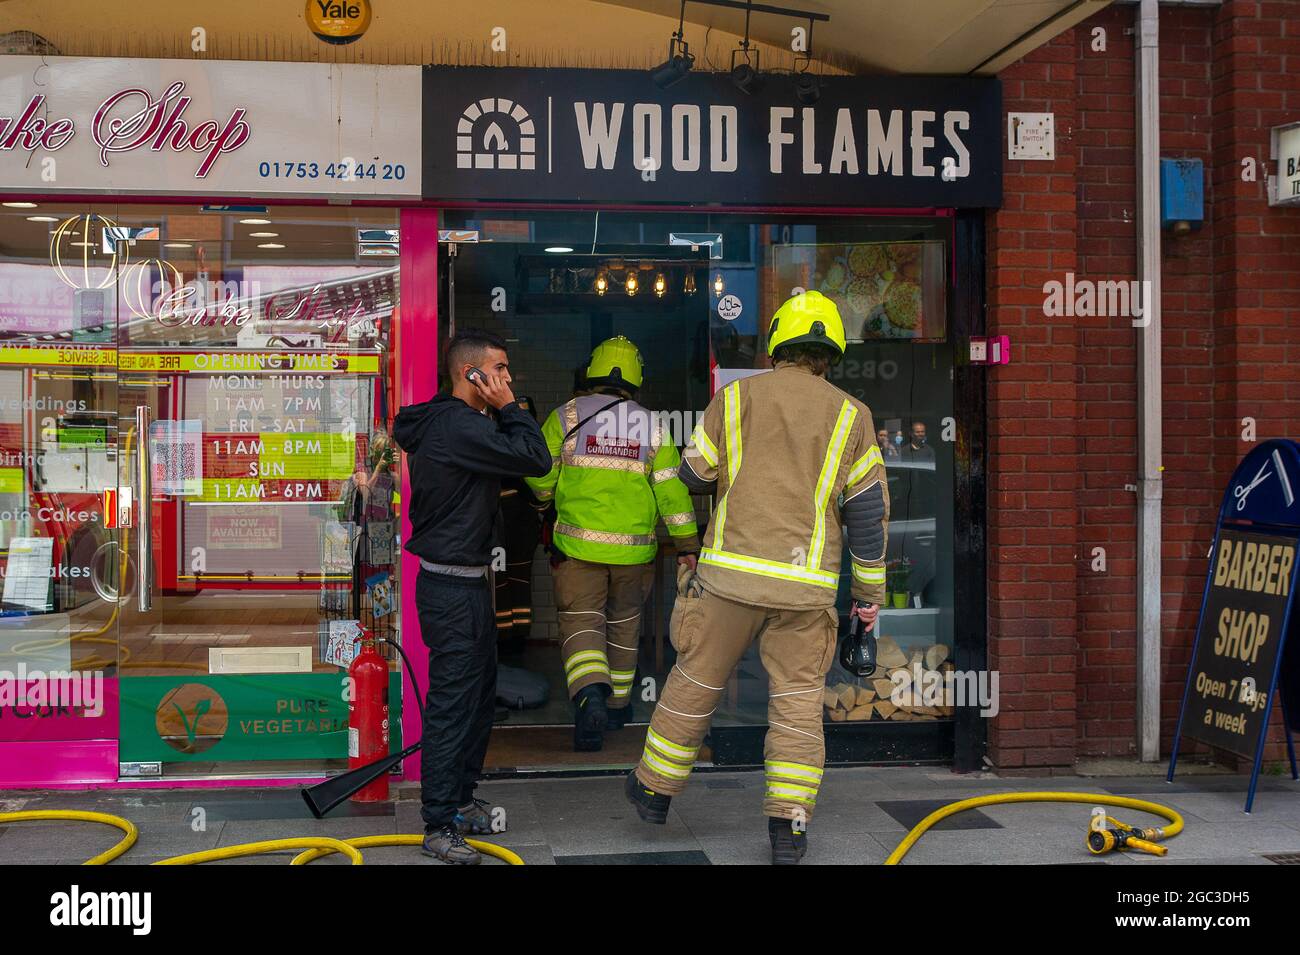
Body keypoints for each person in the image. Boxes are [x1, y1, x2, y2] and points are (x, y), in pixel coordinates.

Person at [626, 291, 888, 865]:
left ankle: (652, 791)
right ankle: (788, 830)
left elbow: (695, 472)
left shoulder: (736, 397)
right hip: (805, 592)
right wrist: (867, 598)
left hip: (729, 582)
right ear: (831, 352)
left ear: (777, 344)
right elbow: (867, 518)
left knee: (695, 682)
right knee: (796, 706)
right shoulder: (853, 416)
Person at [392, 329, 550, 865]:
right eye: (499, 371)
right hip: (451, 589)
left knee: (479, 701)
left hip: (466, 584)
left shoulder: (454, 422)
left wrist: (501, 407)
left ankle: (459, 800)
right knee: (452, 707)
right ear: (472, 375)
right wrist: (512, 408)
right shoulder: (459, 426)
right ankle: (438, 823)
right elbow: (535, 458)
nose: (508, 380)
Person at [526, 336, 699, 751]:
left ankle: (589, 698)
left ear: (592, 372)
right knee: (624, 626)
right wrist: (688, 543)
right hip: (635, 556)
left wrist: (544, 502)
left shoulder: (565, 416)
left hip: (577, 552)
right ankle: (620, 708)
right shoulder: (654, 426)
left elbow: (539, 472)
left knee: (583, 624)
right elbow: (672, 494)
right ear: (636, 379)